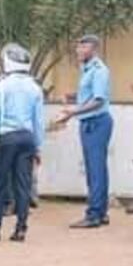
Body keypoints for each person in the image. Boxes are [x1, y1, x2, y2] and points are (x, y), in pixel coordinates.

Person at [0, 44, 44, 243]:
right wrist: (38, 146)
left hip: (5, 137)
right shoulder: (35, 87)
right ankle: (21, 228)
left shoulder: (1, 86)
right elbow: (38, 121)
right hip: (27, 138)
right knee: (23, 184)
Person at [55, 35, 113, 229]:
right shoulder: (87, 70)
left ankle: (94, 214)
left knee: (95, 169)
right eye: (78, 47)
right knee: (95, 169)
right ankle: (101, 212)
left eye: (83, 47)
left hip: (96, 122)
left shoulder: (99, 70)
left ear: (94, 49)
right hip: (90, 122)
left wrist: (73, 111)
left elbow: (98, 100)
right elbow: (87, 94)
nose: (78, 51)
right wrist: (72, 96)